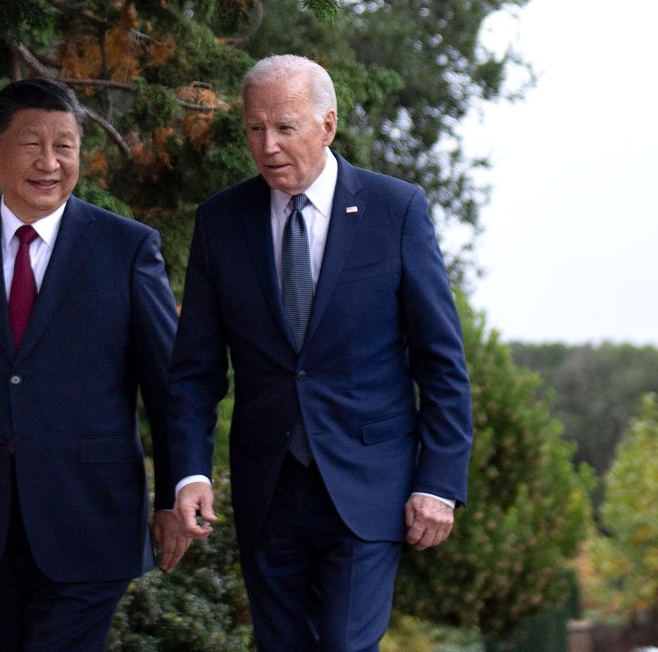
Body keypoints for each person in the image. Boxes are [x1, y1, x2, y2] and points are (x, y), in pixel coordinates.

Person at [167, 55, 473, 651]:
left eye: (285, 127)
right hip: (267, 488)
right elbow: (195, 371)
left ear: (327, 125)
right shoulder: (221, 222)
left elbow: (441, 362)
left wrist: (439, 481)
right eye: (255, 129)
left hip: (368, 484)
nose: (268, 146)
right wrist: (190, 470)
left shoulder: (396, 210)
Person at [0, 78, 189, 652]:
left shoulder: (127, 249)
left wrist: (174, 496)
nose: (49, 163)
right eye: (32, 145)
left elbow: (169, 386)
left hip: (94, 519)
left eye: (65, 146)